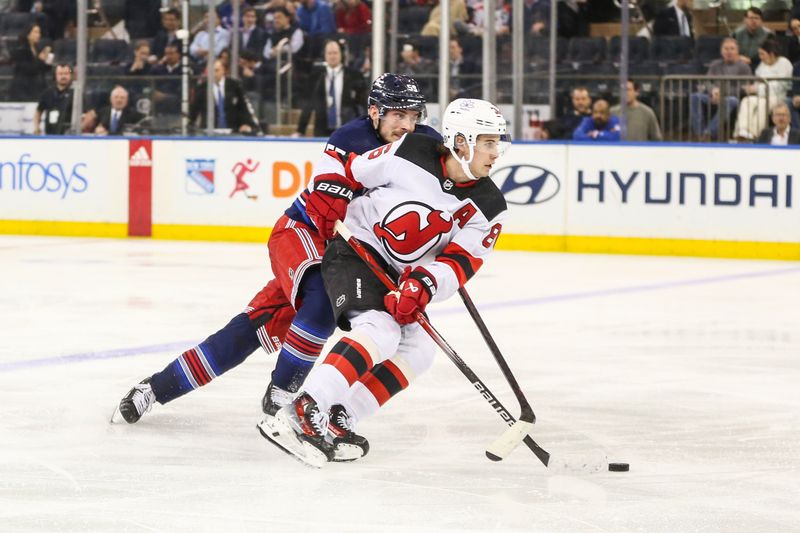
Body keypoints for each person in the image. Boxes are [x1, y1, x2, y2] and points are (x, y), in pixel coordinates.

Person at [114, 73, 441, 462]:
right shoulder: (349, 139)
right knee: (321, 298)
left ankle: (155, 388)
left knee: (250, 330)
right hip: (303, 234)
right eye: (396, 115)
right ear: (374, 111)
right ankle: (285, 395)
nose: (405, 124)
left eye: (411, 115)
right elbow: (326, 204)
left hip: (349, 257)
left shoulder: (425, 144)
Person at [259, 98, 510, 467]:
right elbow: (353, 172)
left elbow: (460, 263)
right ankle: (304, 407)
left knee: (420, 349)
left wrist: (423, 284)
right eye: (488, 143)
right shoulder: (409, 150)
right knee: (380, 329)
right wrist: (330, 192)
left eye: (496, 143)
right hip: (355, 251)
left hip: (399, 278)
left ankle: (340, 416)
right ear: (462, 142)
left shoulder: (489, 205)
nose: (496, 153)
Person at [295, 39, 366, 137]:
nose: (332, 56)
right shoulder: (316, 77)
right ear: (325, 55)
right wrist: (300, 130)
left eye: (335, 53)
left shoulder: (354, 76)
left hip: (347, 129)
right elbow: (308, 105)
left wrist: (366, 127)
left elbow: (362, 103)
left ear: (341, 54)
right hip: (322, 131)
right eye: (329, 53)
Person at [689, 37, 751, 141]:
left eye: (732, 49)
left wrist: (722, 92)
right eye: (726, 49)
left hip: (732, 98)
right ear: (721, 51)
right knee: (695, 97)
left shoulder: (744, 67)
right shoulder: (715, 64)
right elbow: (707, 81)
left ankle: (708, 133)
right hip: (713, 96)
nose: (729, 51)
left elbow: (744, 88)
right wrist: (713, 90)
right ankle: (700, 133)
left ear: (737, 51)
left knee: (731, 101)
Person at [733, 38, 793, 140]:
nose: (760, 57)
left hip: (778, 97)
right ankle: (741, 131)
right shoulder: (762, 65)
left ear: (772, 54)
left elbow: (780, 86)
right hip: (760, 95)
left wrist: (757, 89)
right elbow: (758, 81)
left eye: (762, 54)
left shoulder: (784, 63)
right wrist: (751, 88)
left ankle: (754, 134)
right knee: (747, 101)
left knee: (762, 105)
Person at [189, 59, 258, 133]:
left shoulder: (234, 86)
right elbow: (194, 109)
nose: (213, 74)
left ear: (223, 70)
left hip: (232, 130)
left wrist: (246, 123)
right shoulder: (202, 88)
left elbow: (243, 106)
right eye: (210, 71)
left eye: (216, 70)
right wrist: (189, 124)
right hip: (209, 132)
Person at [9, 23, 51, 102]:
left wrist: (48, 59)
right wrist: (40, 59)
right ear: (28, 34)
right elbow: (29, 69)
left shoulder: (37, 49)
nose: (38, 35)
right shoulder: (21, 50)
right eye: (35, 32)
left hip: (37, 88)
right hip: (23, 90)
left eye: (39, 32)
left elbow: (43, 68)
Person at [33, 63, 73, 135]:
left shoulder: (76, 93)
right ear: (55, 76)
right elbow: (38, 111)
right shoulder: (47, 93)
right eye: (60, 74)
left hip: (69, 136)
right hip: (50, 136)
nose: (63, 76)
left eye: (66, 73)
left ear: (70, 75)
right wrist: (37, 127)